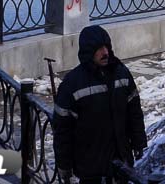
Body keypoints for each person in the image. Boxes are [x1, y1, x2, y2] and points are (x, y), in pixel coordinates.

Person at [54, 25, 147, 183]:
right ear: (88, 52)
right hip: (91, 169)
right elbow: (63, 129)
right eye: (99, 49)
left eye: (107, 47)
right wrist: (64, 164)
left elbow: (134, 113)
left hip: (121, 164)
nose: (105, 52)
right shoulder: (72, 83)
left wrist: (139, 142)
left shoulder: (122, 73)